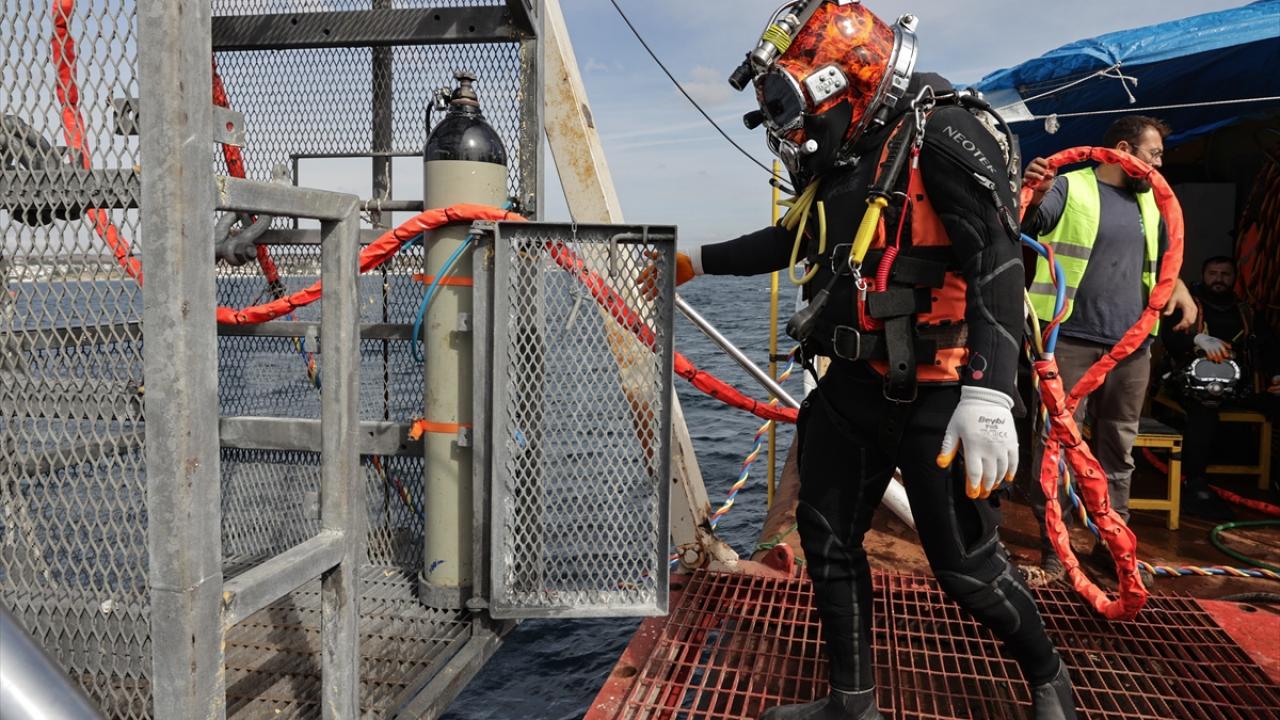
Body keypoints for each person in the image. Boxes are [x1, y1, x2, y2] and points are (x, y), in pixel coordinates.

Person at [641, 3, 1075, 718]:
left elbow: (997, 261)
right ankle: (852, 702)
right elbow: (791, 240)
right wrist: (695, 261)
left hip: (942, 392)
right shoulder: (849, 160)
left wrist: (992, 395)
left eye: (789, 103)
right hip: (851, 385)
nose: (788, 127)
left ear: (850, 83)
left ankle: (1051, 679)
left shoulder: (947, 133)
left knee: (966, 569)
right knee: (829, 541)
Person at [1021, 115, 1198, 589]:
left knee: (1118, 448)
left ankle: (1109, 545)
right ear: (1124, 149)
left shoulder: (1154, 202)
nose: (1160, 162)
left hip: (1131, 345)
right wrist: (1036, 190)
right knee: (1054, 448)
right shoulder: (1070, 185)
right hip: (1068, 339)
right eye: (1154, 153)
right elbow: (1029, 221)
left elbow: (1163, 258)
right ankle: (1054, 551)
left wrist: (1179, 288)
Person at [1161, 256, 1279, 519]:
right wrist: (1196, 339)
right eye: (1213, 273)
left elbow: (1269, 346)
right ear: (1203, 275)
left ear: (1234, 277)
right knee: (1204, 410)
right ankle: (1196, 483)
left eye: (1225, 274)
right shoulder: (1188, 304)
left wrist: (1277, 376)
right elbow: (1169, 337)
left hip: (1241, 386)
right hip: (1191, 384)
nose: (1219, 279)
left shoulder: (1246, 310)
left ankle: (1275, 478)